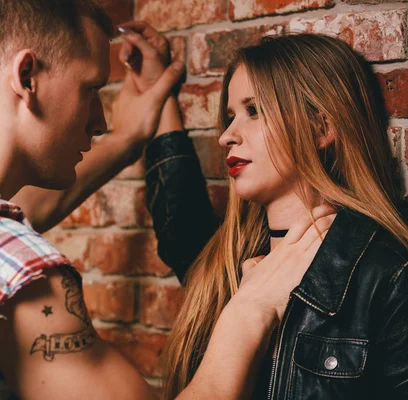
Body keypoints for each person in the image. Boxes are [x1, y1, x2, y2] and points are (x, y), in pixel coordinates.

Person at [0, 2, 334, 400]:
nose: (100, 120)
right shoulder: (13, 267)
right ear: (27, 76)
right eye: (90, 90)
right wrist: (252, 308)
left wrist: (131, 139)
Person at [140, 33, 408, 399]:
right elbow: (177, 209)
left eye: (254, 110)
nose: (227, 136)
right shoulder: (223, 263)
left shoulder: (388, 276)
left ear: (321, 128)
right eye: (231, 115)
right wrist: (157, 84)